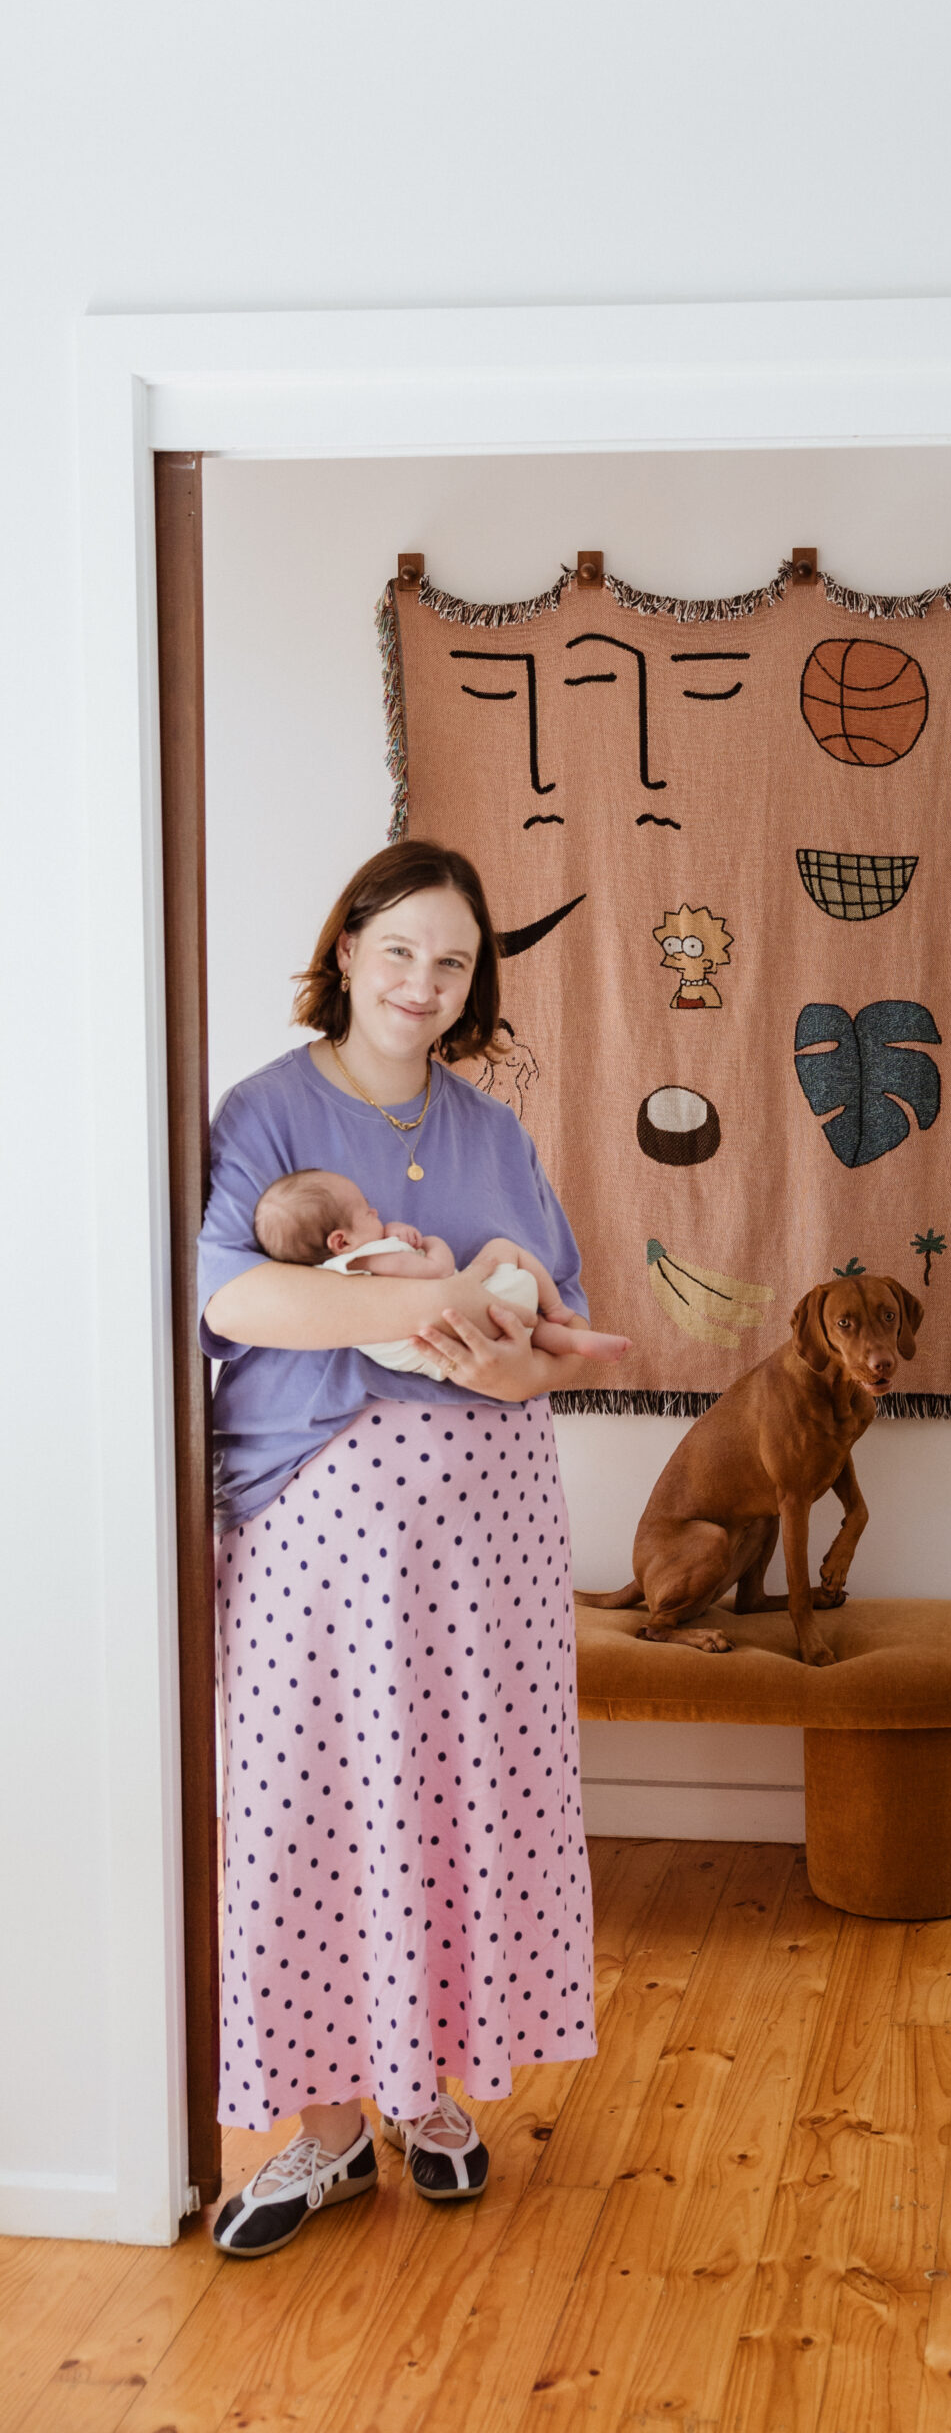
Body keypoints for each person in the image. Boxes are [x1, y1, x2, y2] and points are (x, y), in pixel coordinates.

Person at [198, 840, 629, 2257]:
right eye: (400, 951)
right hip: (320, 1533)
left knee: (458, 1804)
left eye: (451, 962)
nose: (422, 983)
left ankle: (431, 2092)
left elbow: (554, 1305)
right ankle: (321, 2132)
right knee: (313, 1812)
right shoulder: (261, 1112)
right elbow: (233, 1300)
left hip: (489, 1532)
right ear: (347, 948)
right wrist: (436, 1313)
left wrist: (519, 1366)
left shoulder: (491, 1128)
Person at [251, 1167, 630, 1382]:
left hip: (431, 1354)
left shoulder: (332, 1277)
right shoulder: (374, 1258)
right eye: (365, 1211)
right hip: (460, 1315)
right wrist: (430, 1241)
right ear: (340, 1240)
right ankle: (560, 1313)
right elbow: (439, 1270)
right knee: (503, 1248)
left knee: (522, 1331)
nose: (375, 1212)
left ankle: (572, 1343)